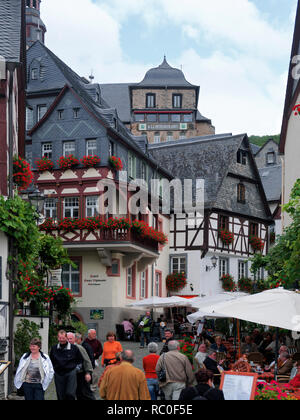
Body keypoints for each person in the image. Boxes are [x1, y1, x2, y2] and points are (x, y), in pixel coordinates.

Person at [50, 330, 84, 400]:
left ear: (66, 338)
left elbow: (80, 360)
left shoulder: (74, 348)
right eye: (60, 338)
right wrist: (53, 369)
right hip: (58, 373)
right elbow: (51, 361)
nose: (61, 340)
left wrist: (76, 369)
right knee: (60, 394)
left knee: (70, 393)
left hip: (70, 372)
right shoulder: (54, 348)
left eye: (63, 338)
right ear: (57, 338)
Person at [66, 332, 95, 400]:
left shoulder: (79, 348)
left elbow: (87, 360)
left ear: (74, 339)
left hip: (81, 374)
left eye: (71, 338)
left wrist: (88, 373)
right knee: (77, 394)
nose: (69, 340)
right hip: (71, 375)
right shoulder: (65, 348)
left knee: (86, 394)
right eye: (68, 339)